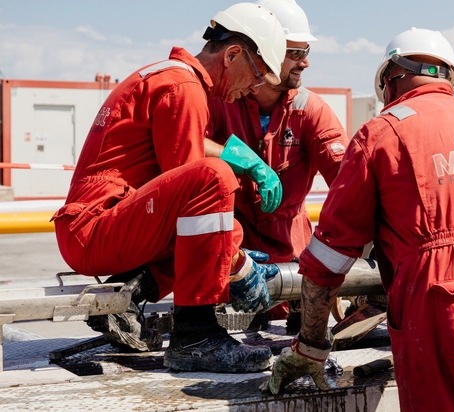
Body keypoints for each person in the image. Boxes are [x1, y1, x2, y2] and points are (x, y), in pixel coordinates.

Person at [261, 27, 454, 411]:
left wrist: (311, 345)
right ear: (450, 78)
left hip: (451, 307)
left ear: (390, 80)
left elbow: (330, 254)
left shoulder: (385, 131)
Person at [52, 2, 287, 373]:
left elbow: (182, 178)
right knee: (214, 181)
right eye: (256, 77)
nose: (251, 91)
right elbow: (194, 187)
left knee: (221, 227)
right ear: (232, 55)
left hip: (96, 225)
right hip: (95, 230)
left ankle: (127, 294)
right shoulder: (183, 88)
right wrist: (236, 263)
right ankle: (196, 336)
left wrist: (229, 247)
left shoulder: (174, 80)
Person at [208, 0, 349, 321]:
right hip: (231, 261)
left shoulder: (310, 110)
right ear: (266, 51)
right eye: (295, 53)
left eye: (306, 51)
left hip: (291, 266)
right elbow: (185, 148)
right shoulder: (222, 101)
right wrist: (240, 159)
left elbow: (349, 187)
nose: (305, 62)